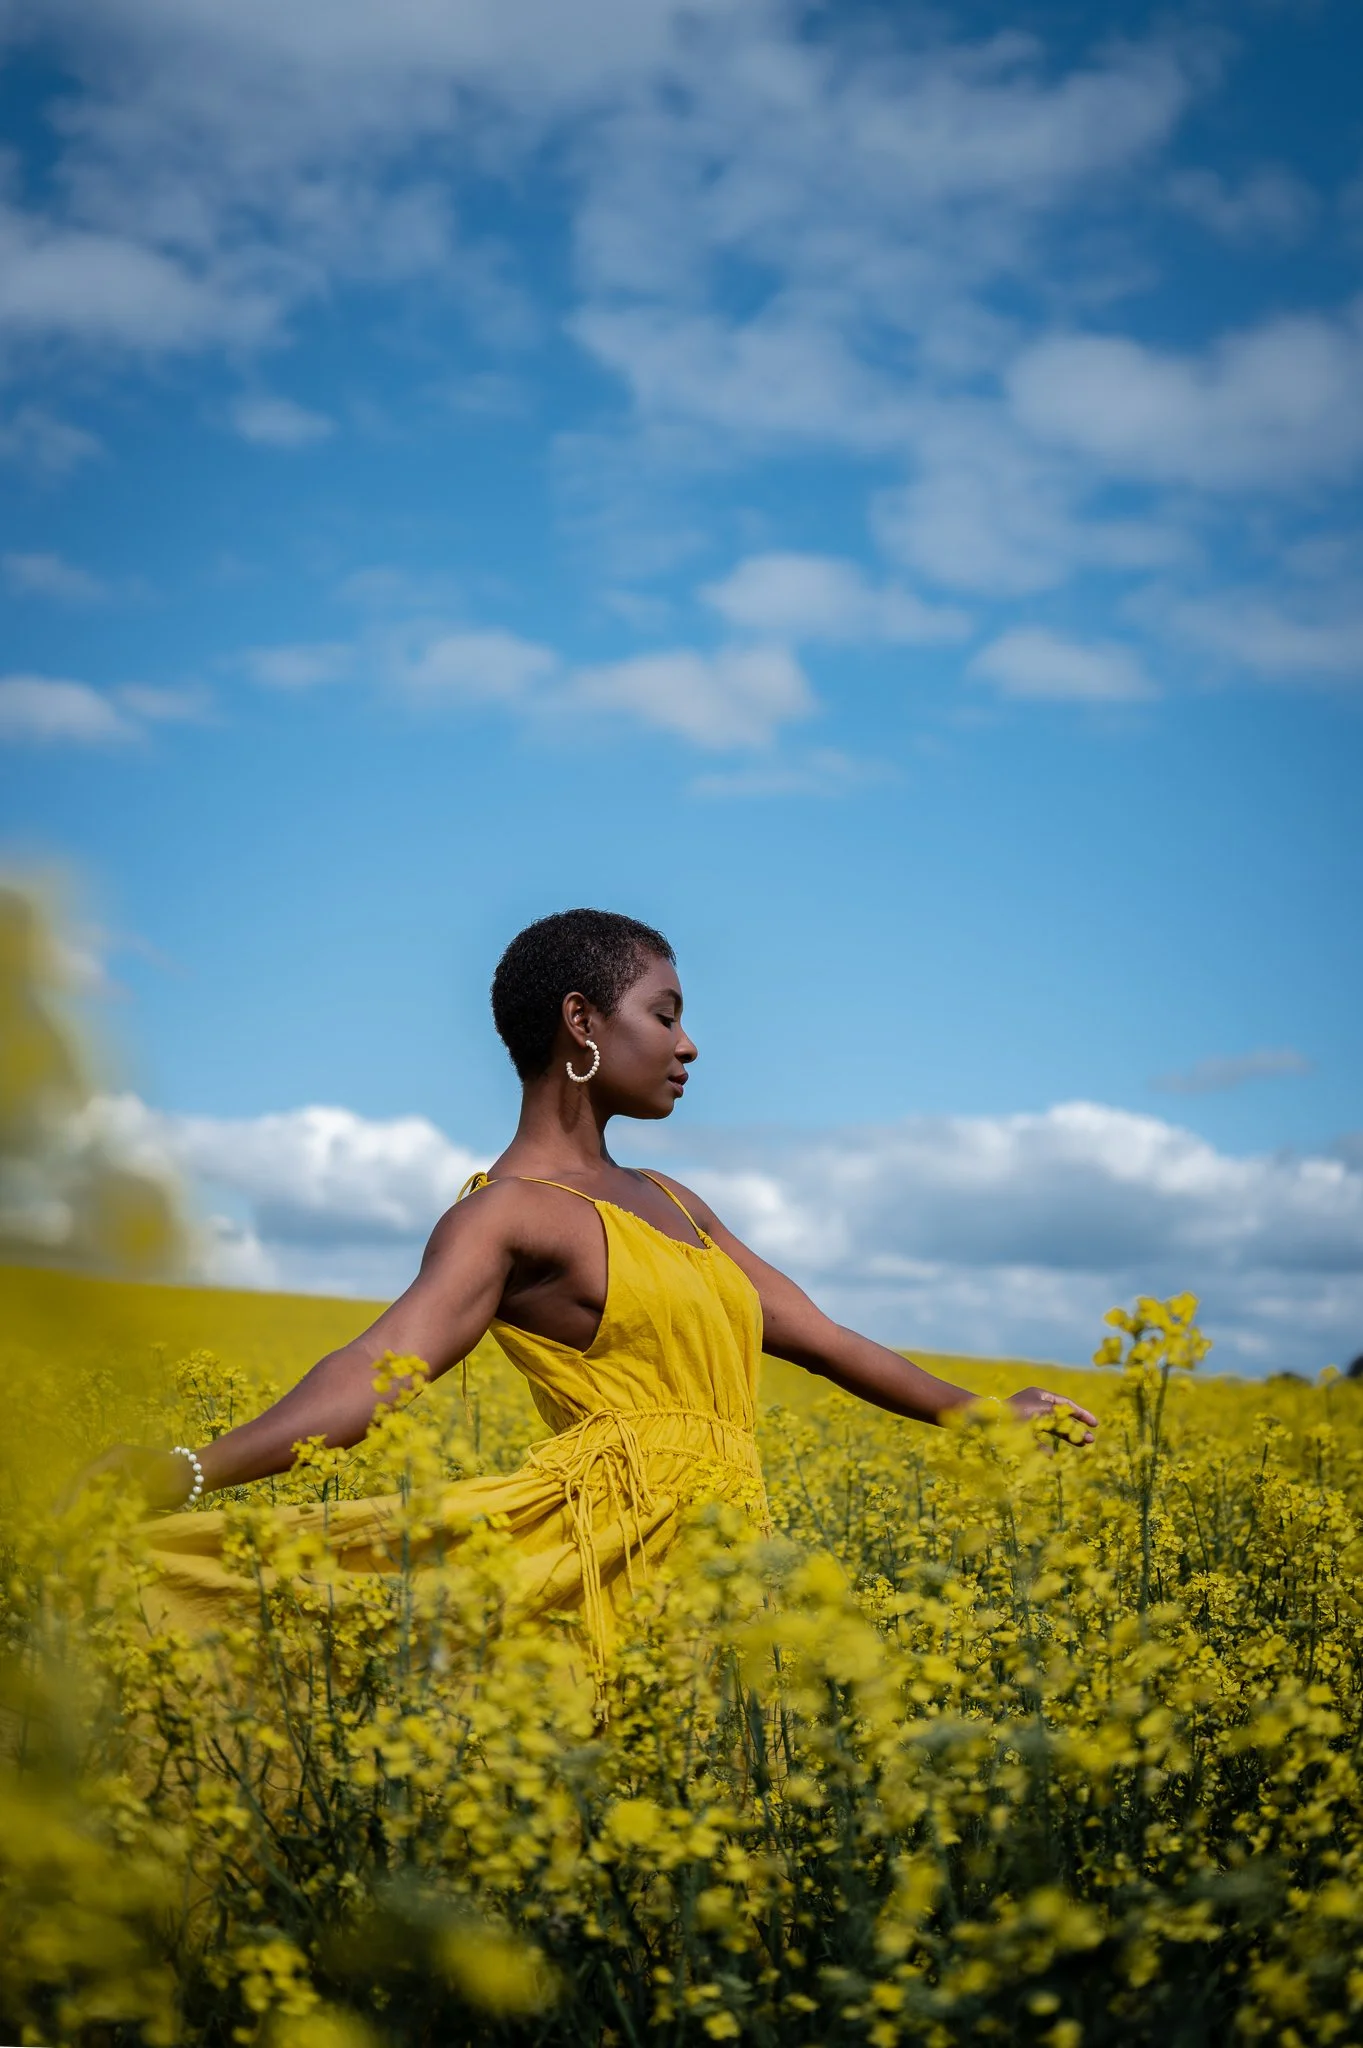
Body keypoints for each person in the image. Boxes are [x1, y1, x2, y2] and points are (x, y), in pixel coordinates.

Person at [81, 908, 1097, 1674]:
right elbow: (372, 1371)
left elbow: (823, 1337)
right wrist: (190, 1467)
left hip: (726, 1549)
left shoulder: (676, 1201)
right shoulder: (504, 1215)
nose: (688, 1043)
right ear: (581, 1020)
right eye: (665, 1013)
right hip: (586, 1555)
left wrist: (986, 1419)